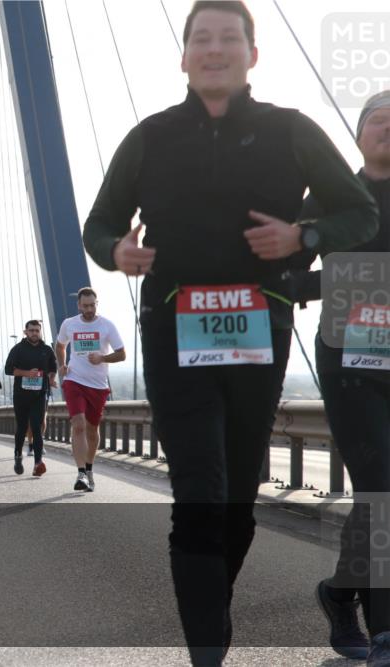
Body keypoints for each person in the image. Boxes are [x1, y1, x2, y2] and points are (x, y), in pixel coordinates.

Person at [81, 3, 379, 663]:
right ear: (184, 56)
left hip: (258, 330)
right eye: (202, 39)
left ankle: (208, 605)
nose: (215, 50)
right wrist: (117, 253)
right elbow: (98, 225)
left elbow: (357, 213)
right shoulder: (149, 138)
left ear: (252, 53)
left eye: (229, 39)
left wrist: (304, 236)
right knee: (200, 490)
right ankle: (208, 651)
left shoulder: (293, 131)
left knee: (236, 503)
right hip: (171, 326)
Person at [297, 90, 390, 664]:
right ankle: (384, 629)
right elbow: (286, 272)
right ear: (358, 135)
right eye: (378, 120)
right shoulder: (330, 199)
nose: (389, 128)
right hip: (350, 358)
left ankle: (339, 593)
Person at [55, 287, 125, 492]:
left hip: (98, 386)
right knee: (78, 424)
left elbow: (122, 354)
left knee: (92, 430)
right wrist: (62, 364)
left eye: (92, 305)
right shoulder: (69, 324)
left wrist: (102, 358)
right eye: (85, 306)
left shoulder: (107, 325)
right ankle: (81, 474)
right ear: (78, 305)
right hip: (74, 380)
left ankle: (90, 469)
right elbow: (60, 346)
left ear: (97, 303)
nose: (89, 309)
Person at [4, 320, 58, 477]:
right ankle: (18, 456)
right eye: (31, 330)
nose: (35, 333)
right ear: (25, 332)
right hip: (21, 395)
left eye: (37, 330)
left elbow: (53, 368)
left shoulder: (47, 350)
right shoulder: (18, 349)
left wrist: (51, 378)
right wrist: (26, 373)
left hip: (39, 395)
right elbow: (8, 369)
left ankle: (37, 463)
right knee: (21, 427)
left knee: (37, 428)